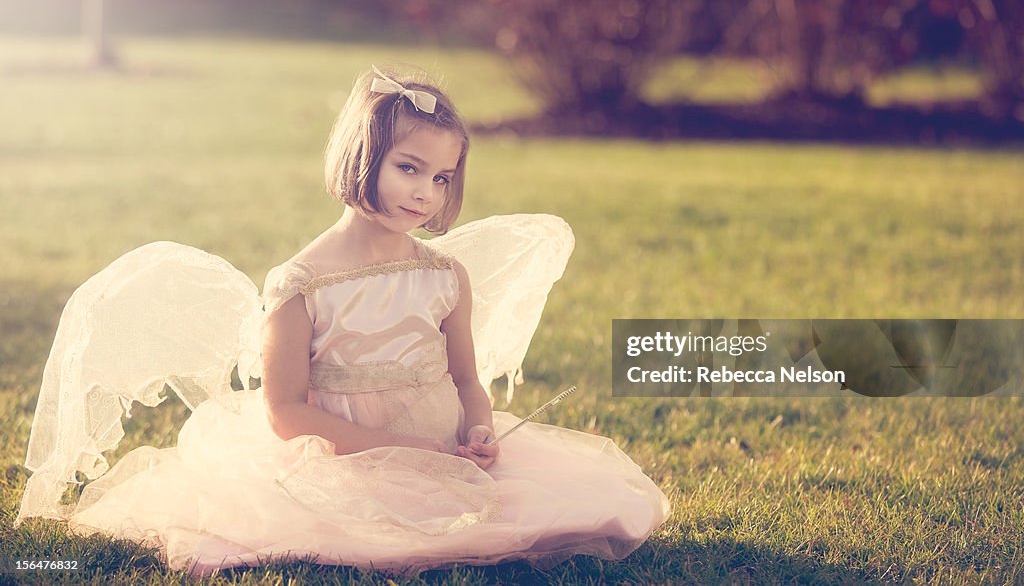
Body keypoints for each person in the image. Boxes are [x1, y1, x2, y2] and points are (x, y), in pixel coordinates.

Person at [17, 66, 670, 576]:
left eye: (442, 178)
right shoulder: (302, 284)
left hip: (446, 450)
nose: (425, 193)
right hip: (342, 458)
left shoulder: (445, 277)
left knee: (571, 509)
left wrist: (475, 428)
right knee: (333, 525)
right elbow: (286, 412)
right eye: (408, 168)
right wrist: (417, 455)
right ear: (362, 156)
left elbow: (470, 379)